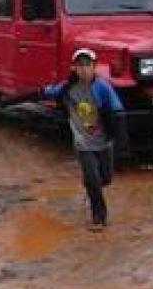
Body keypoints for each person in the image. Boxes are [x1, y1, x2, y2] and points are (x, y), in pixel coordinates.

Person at [39, 49, 128, 232]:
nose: (84, 70)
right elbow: (47, 92)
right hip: (83, 144)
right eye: (80, 66)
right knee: (93, 180)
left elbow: (118, 113)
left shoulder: (102, 87)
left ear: (94, 67)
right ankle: (99, 217)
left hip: (104, 142)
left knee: (105, 179)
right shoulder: (67, 88)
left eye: (88, 65)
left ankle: (91, 186)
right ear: (74, 68)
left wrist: (121, 145)